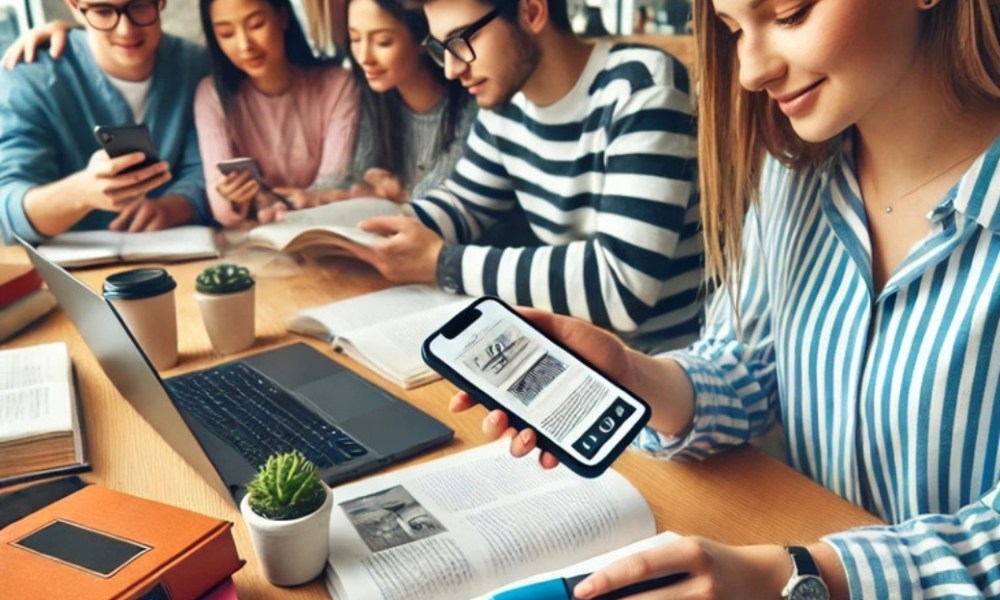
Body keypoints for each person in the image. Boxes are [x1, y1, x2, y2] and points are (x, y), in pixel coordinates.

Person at [453, 0, 1000, 598]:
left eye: (790, 14)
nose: (750, 71)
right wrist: (634, 376)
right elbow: (754, 362)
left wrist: (799, 576)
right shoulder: (793, 174)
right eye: (734, 29)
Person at [350, 0, 704, 354]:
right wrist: (366, 236)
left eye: (461, 41)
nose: (452, 70)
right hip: (570, 349)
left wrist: (444, 264)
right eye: (442, 49)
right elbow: (463, 203)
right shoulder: (508, 102)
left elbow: (623, 288)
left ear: (532, 12)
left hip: (661, 370)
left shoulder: (642, 88)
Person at [0, 0, 210, 244]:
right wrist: (80, 193)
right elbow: (7, 206)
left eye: (140, 6)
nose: (125, 30)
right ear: (74, 6)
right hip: (65, 274)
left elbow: (205, 171)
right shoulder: (30, 77)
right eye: (102, 11)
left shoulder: (197, 67)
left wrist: (171, 208)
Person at [195, 0, 360, 225]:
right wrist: (234, 197)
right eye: (226, 33)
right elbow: (223, 210)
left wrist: (272, 198)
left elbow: (333, 188)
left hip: (325, 232)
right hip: (253, 241)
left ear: (283, 17)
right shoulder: (213, 95)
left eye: (256, 24)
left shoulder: (339, 86)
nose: (245, 45)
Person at [343, 0, 475, 203]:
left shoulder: (468, 106)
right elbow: (357, 179)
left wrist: (402, 194)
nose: (364, 57)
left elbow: (446, 194)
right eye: (355, 38)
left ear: (423, 38)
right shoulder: (375, 101)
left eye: (383, 42)